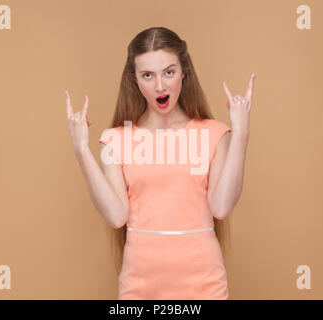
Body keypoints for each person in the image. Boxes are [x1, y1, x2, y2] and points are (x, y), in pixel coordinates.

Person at [64, 27, 254, 299]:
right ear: (135, 81)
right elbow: (116, 216)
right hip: (139, 290)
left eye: (169, 72)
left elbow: (221, 207)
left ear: (183, 72)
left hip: (204, 287)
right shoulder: (114, 141)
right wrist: (81, 149)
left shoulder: (215, 134)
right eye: (148, 75)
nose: (160, 86)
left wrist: (241, 134)